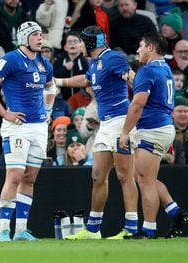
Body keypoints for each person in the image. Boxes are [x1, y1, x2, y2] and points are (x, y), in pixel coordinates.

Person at [55, 26, 138, 239]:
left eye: (82, 42)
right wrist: (58, 82)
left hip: (121, 122)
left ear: (90, 43)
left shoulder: (113, 58)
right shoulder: (96, 62)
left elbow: (132, 77)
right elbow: (86, 80)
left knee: (124, 175)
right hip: (105, 125)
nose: (79, 45)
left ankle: (131, 228)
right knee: (97, 175)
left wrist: (143, 97)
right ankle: (93, 230)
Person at [0, 21, 56, 241]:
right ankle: (3, 229)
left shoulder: (44, 63)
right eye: (35, 35)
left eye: (41, 35)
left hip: (39, 127)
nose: (40, 39)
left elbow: (51, 86)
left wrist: (48, 109)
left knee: (30, 178)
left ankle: (21, 230)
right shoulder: (11, 59)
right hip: (18, 127)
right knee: (14, 176)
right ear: (24, 38)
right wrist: (5, 114)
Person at [119, 33, 177, 238]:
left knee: (145, 181)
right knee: (143, 176)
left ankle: (149, 230)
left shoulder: (147, 70)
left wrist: (125, 132)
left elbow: (138, 104)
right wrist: (134, 83)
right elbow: (153, 96)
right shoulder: (165, 68)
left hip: (153, 128)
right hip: (163, 127)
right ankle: (174, 211)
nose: (137, 51)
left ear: (151, 48)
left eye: (141, 46)